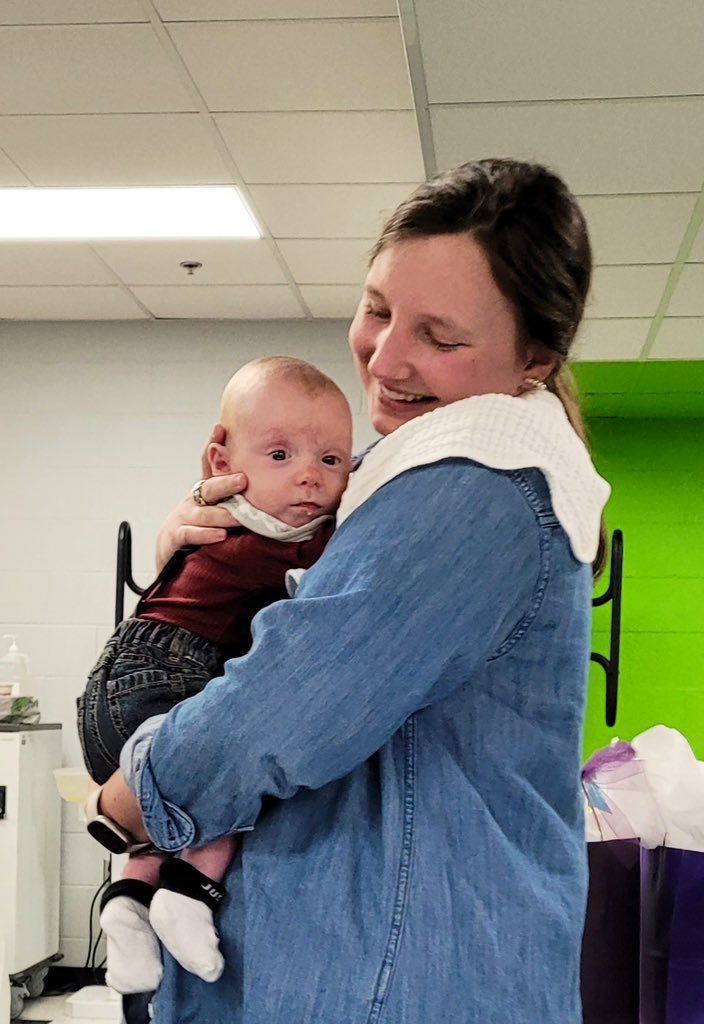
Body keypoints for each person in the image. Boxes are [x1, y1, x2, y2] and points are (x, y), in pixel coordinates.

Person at [90, 158, 612, 1024]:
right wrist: (213, 540)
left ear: (535, 358)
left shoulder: (473, 486)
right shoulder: (423, 477)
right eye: (377, 308)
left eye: (440, 337)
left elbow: (278, 710)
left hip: (389, 972)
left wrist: (132, 791)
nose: (386, 355)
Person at [78, 356, 352, 995]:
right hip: (173, 670)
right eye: (280, 454)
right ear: (221, 461)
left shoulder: (221, 519)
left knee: (160, 818)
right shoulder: (290, 537)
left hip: (116, 682)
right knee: (232, 781)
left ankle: (127, 904)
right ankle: (189, 893)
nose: (310, 475)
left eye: (333, 461)